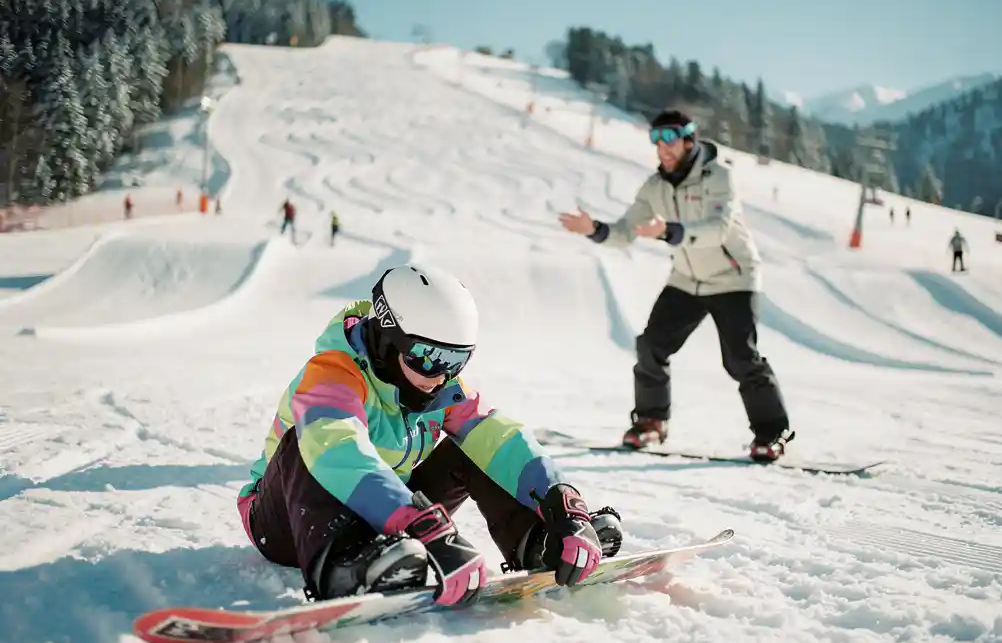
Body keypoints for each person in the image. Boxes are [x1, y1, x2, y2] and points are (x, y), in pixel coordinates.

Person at [236, 263, 622, 606]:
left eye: (455, 360)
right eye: (427, 356)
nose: (439, 374)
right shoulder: (331, 375)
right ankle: (342, 567)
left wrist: (563, 503)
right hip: (286, 517)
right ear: (388, 339)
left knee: (477, 446)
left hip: (379, 512)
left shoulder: (438, 386)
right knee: (311, 441)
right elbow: (340, 453)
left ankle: (536, 541)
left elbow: (501, 439)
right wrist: (420, 524)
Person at [558, 110, 793, 461]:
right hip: (686, 279)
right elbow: (626, 231)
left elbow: (718, 229)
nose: (661, 147)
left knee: (741, 358)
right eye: (655, 139)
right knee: (651, 345)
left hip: (733, 278)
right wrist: (595, 229)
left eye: (668, 138)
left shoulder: (718, 177)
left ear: (688, 139)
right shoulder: (655, 187)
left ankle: (772, 434)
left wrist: (669, 231)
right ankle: (652, 422)